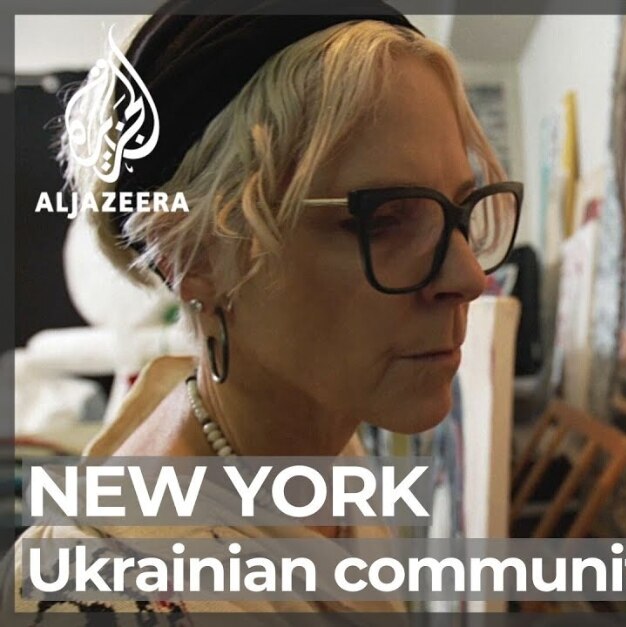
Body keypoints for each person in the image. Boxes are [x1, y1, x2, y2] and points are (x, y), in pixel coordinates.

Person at [5, 0, 522, 616]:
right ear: (194, 257)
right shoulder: (112, 594)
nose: (468, 278)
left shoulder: (324, 435)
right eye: (383, 220)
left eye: (459, 213)